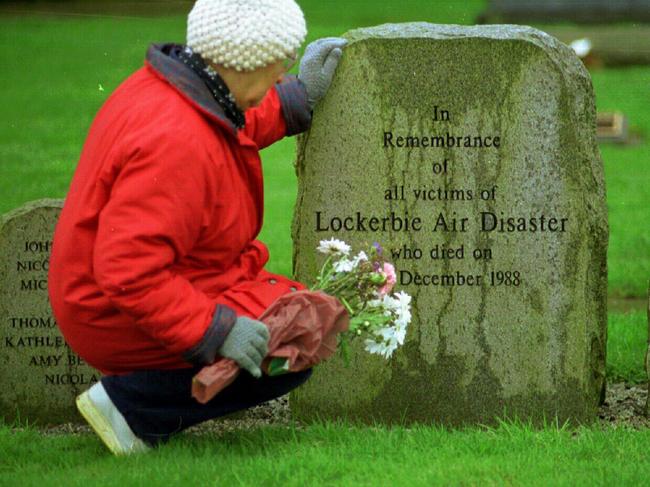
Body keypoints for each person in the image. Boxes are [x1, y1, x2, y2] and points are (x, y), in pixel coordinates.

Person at [48, 0, 346, 455]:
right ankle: (132, 409)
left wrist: (292, 101)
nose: (279, 76)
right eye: (280, 67)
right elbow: (129, 269)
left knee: (290, 318)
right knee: (291, 340)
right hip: (110, 309)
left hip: (117, 290)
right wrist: (217, 330)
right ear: (250, 63)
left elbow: (230, 121)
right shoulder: (175, 140)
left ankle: (141, 399)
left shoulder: (179, 88)